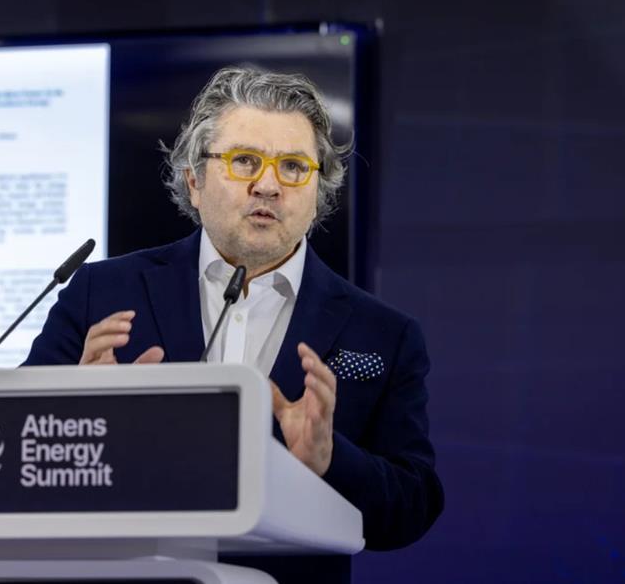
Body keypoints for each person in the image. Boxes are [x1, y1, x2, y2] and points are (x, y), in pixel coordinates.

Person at [24, 67, 443, 582]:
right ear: (194, 181)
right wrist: (74, 416)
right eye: (244, 160)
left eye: (293, 167)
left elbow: (413, 506)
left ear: (318, 192)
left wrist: (329, 460)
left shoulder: (384, 334)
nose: (268, 185)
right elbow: (17, 454)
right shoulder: (100, 293)